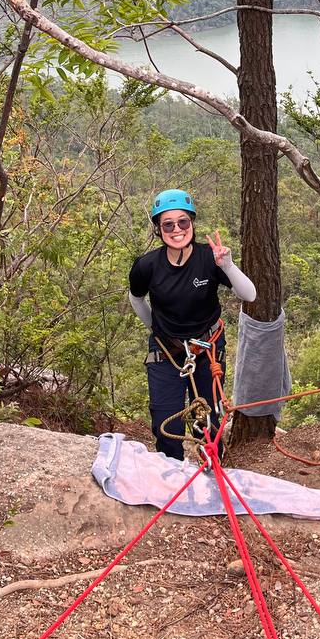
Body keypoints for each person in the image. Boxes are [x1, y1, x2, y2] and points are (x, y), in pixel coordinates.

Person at [128, 188, 256, 459]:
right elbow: (136, 298)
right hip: (166, 351)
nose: (177, 229)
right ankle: (171, 471)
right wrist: (156, 328)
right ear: (158, 229)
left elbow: (250, 294)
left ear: (192, 223)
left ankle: (211, 468)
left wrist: (228, 266)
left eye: (183, 222)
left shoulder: (208, 259)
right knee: (166, 423)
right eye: (168, 224)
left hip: (207, 347)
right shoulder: (147, 266)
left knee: (208, 419)